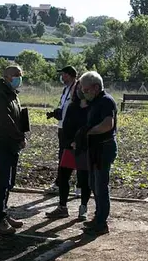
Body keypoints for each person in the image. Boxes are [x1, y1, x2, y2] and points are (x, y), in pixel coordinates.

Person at [45, 80, 93, 221]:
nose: (80, 90)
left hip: (85, 148)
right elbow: (66, 128)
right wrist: (70, 142)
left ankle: (83, 208)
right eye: (78, 88)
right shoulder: (72, 107)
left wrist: (81, 142)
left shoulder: (93, 107)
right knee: (63, 176)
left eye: (83, 87)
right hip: (71, 147)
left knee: (84, 179)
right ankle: (62, 207)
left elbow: (92, 128)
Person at [79, 71, 118, 236]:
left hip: (104, 148)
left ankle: (102, 223)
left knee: (101, 187)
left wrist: (88, 132)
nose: (84, 93)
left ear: (95, 87)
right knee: (94, 184)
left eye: (86, 90)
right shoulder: (96, 101)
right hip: (95, 149)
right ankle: (98, 218)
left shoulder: (106, 101)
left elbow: (107, 124)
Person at [0, 66, 27, 235]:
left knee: (10, 182)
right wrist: (19, 137)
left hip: (12, 145)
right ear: (6, 77)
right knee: (3, 183)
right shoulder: (0, 97)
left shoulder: (12, 95)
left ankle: (4, 213)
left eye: (20, 75)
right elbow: (6, 122)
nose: (19, 78)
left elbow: (18, 118)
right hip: (3, 144)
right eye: (16, 75)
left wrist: (21, 135)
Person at [45, 66, 81, 197]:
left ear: (70, 75)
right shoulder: (66, 89)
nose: (62, 77)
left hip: (71, 128)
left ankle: (79, 185)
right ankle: (60, 182)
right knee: (63, 156)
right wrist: (57, 112)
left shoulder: (77, 88)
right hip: (62, 127)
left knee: (74, 156)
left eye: (64, 75)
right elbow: (64, 106)